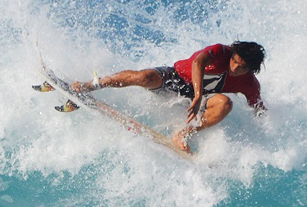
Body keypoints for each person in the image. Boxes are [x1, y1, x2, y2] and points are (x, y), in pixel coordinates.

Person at [71, 41, 266, 152]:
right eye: (234, 61)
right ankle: (90, 85)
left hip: (198, 100)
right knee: (144, 77)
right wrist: (198, 95)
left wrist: (268, 132)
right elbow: (198, 62)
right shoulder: (221, 51)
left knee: (225, 103)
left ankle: (183, 133)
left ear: (251, 70)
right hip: (176, 78)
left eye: (241, 67)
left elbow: (259, 110)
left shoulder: (250, 84)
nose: (234, 67)